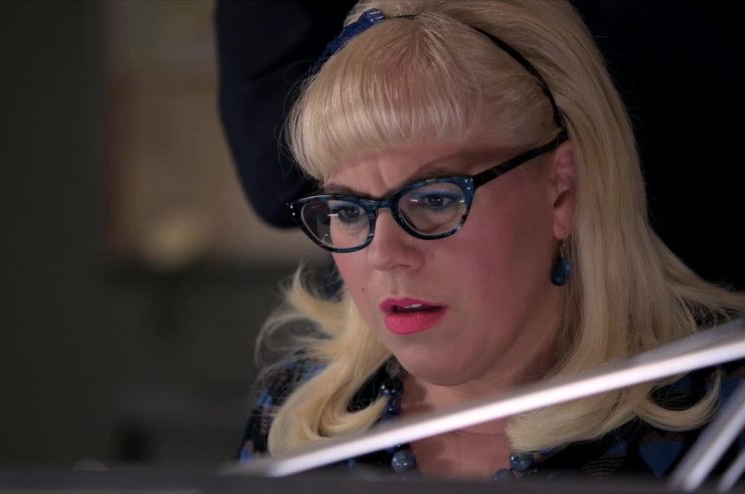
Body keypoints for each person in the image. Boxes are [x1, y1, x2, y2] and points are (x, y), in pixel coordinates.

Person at [237, 0, 745, 482]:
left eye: (434, 199)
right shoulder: (295, 423)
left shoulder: (723, 426)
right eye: (349, 210)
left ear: (562, 191)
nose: (385, 254)